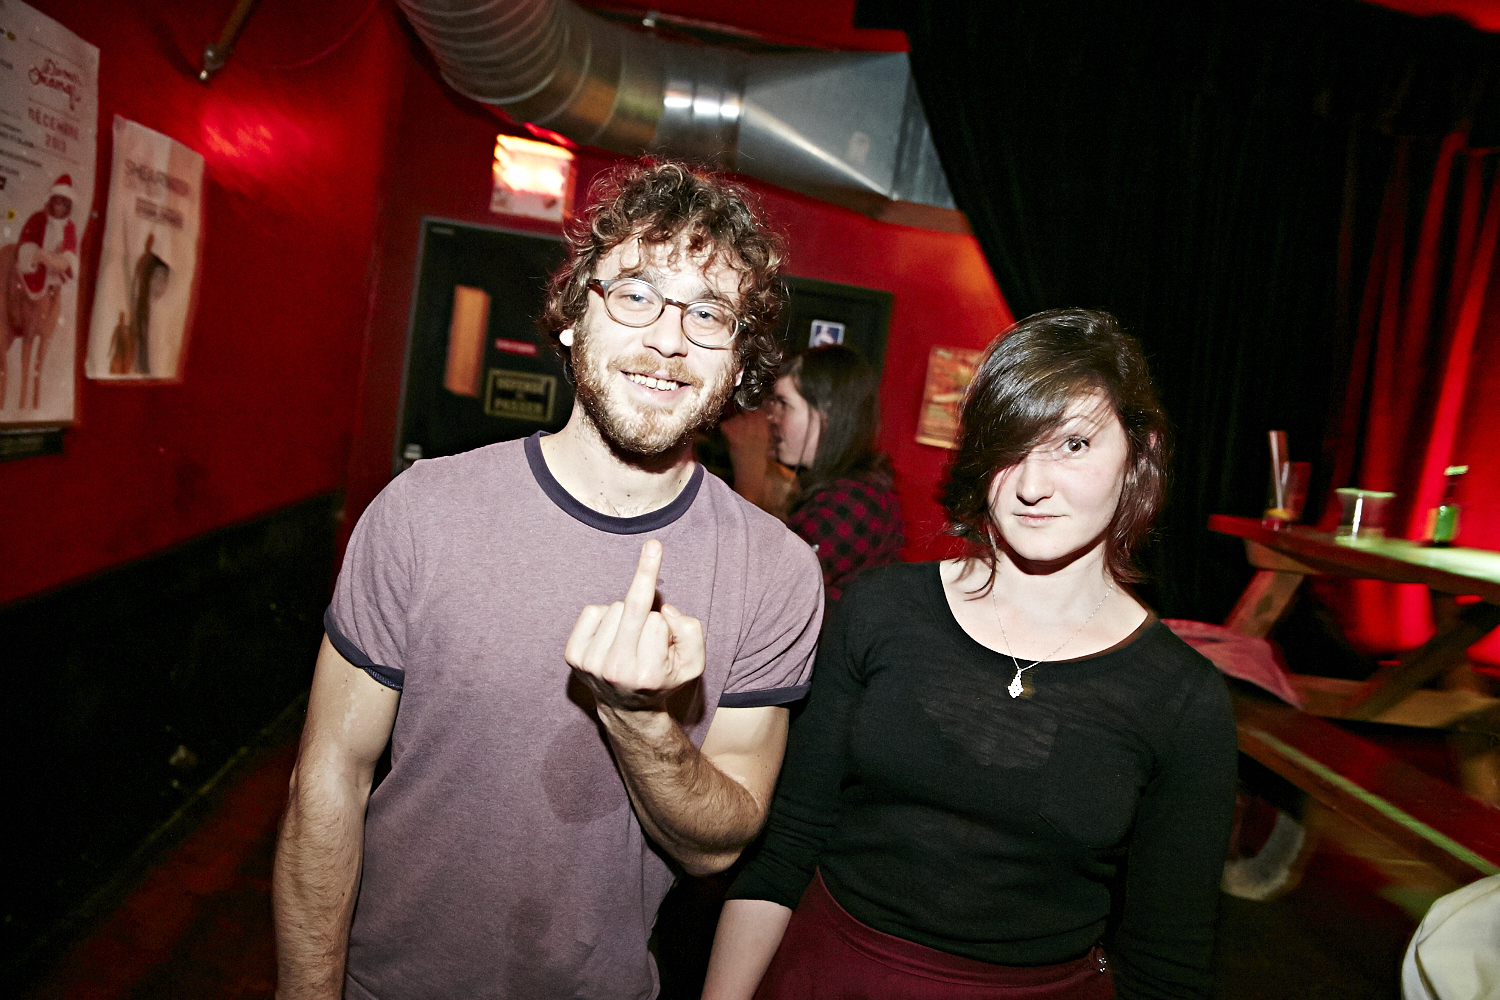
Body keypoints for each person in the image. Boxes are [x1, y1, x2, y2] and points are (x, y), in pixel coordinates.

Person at [272, 160, 825, 1000]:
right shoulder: (423, 512)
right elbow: (330, 777)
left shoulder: (777, 570)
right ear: (574, 317)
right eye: (636, 293)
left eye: (709, 313)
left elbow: (718, 845)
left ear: (739, 356)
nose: (669, 339)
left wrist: (641, 722)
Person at [704, 308, 1238, 1000]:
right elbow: (783, 854)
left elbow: (1166, 965)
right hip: (832, 973)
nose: (1031, 484)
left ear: (1138, 455)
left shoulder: (1181, 697)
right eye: (1009, 446)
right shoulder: (881, 609)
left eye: (1073, 445)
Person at [760, 346, 904, 602]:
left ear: (825, 414)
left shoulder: (854, 501)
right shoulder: (841, 491)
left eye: (784, 403)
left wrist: (748, 466)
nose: (772, 416)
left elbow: (767, 583)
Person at [2, 174, 77, 408]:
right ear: (51, 200)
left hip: (53, 286)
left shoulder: (70, 228)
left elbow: (70, 260)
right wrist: (46, 257)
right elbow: (27, 251)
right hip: (34, 284)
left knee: (46, 334)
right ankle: (20, 397)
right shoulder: (37, 219)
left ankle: (34, 399)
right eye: (58, 202)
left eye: (66, 204)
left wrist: (56, 260)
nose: (60, 207)